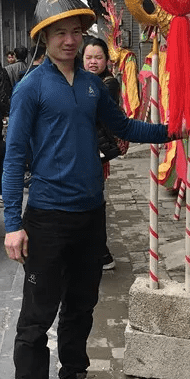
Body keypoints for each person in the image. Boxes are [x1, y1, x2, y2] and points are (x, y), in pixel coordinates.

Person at [3, 0, 171, 379]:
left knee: (82, 305)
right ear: (44, 38)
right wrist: (13, 223)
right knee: (37, 317)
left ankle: (73, 378)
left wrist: (173, 131)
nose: (70, 39)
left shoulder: (95, 86)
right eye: (60, 32)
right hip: (47, 217)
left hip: (90, 214)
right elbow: (14, 158)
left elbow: (123, 127)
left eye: (76, 30)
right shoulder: (31, 89)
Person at [83, 36, 122, 271]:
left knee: (95, 202)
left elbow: (94, 110)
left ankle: (102, 253)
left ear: (106, 60)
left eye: (98, 57)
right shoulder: (84, 80)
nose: (93, 62)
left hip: (96, 152)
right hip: (85, 150)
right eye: (89, 57)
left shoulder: (108, 83)